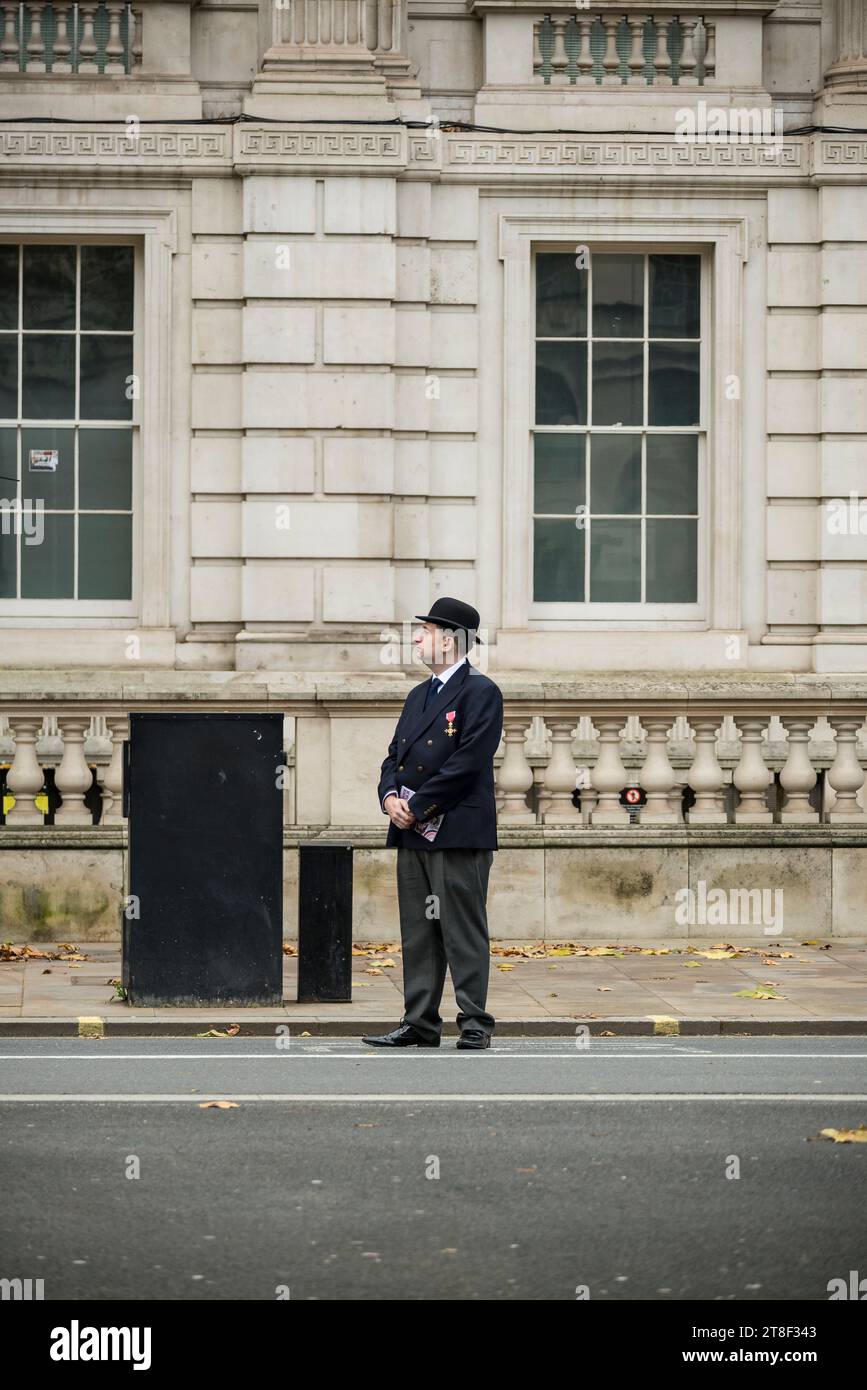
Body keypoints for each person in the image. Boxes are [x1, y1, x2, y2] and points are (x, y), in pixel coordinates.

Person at [362, 597, 504, 1051]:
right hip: (411, 829)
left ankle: (475, 1022)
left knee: (461, 928)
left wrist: (418, 805)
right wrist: (389, 799)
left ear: (450, 638)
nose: (417, 638)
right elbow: (393, 756)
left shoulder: (481, 692)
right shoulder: (418, 694)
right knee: (419, 931)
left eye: (425, 630)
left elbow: (468, 762)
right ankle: (420, 1022)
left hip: (457, 828)